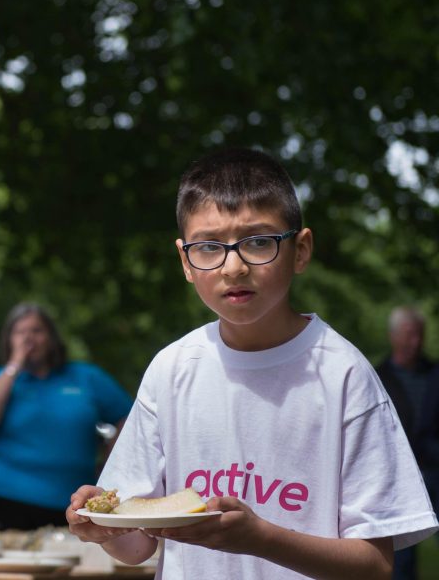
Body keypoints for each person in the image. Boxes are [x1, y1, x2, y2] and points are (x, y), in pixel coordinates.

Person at [66, 148, 438, 579]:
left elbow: (374, 565)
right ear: (186, 261)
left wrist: (260, 538)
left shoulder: (344, 375)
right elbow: (136, 546)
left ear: (300, 250)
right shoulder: (171, 369)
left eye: (258, 241)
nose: (234, 266)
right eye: (208, 247)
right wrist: (103, 528)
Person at [0, 302, 133, 530]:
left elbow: (130, 418)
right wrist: (14, 366)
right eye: (20, 332)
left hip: (72, 504)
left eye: (36, 331)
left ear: (51, 337)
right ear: (9, 339)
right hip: (2, 498)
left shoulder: (85, 377)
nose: (28, 339)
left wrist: (112, 465)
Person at [375, 306, 439, 580]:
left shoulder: (435, 374)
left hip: (436, 470)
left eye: (419, 335)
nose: (416, 341)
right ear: (394, 336)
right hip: (397, 476)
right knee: (401, 557)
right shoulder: (377, 377)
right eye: (409, 335)